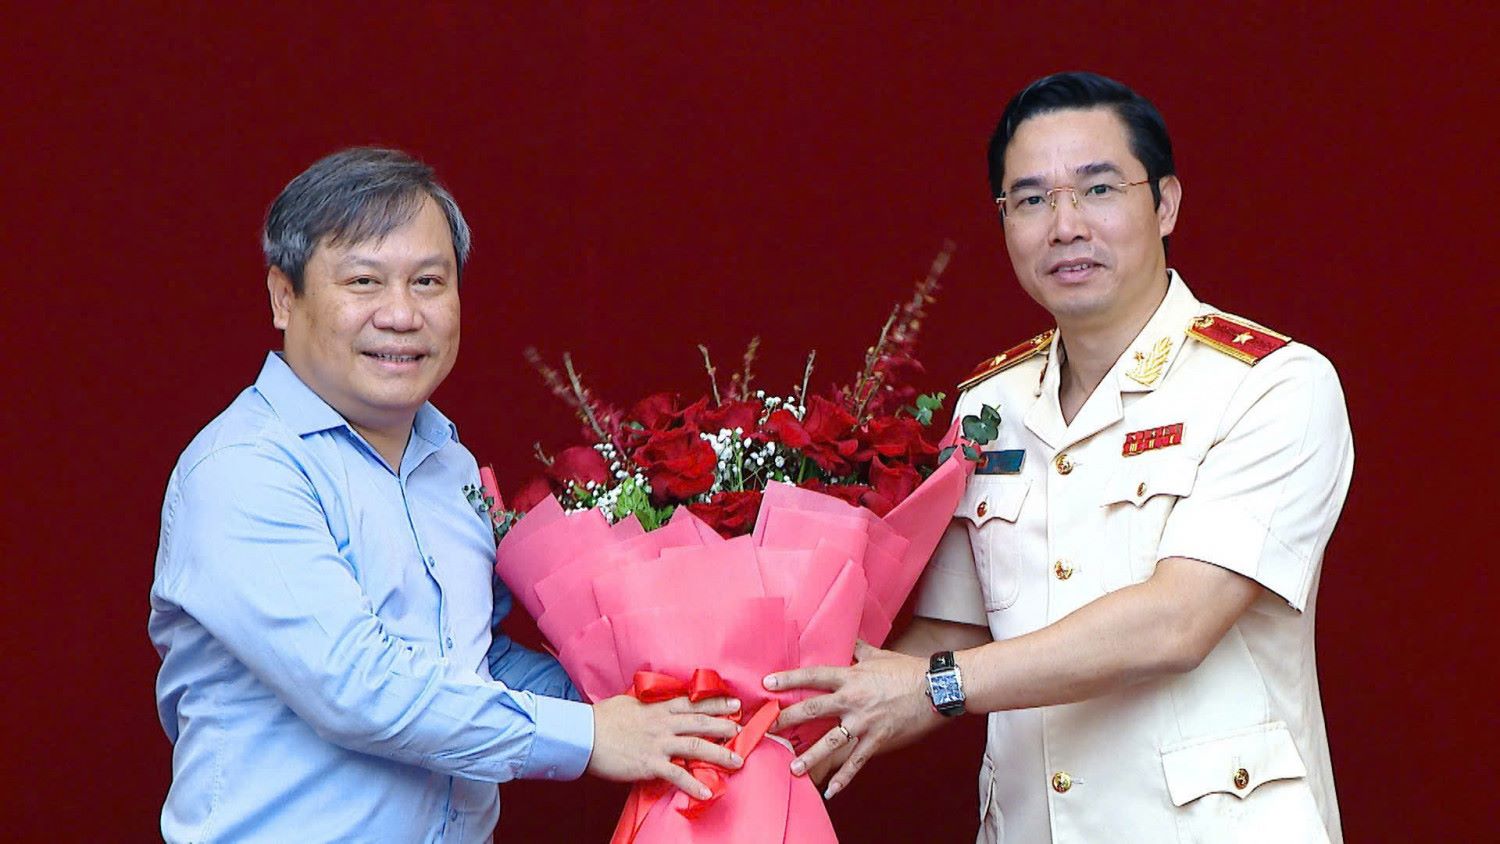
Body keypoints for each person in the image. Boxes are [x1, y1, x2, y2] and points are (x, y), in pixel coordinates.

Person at [765, 72, 1353, 842]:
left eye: (1099, 188)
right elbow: (950, 637)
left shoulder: (1271, 384)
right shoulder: (988, 406)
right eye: (1032, 199)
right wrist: (782, 710)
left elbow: (1177, 621)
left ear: (1166, 203)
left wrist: (936, 688)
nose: (1065, 225)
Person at [149, 147, 743, 843]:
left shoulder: (448, 464)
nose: (401, 315)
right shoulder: (244, 469)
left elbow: (473, 660)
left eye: (428, 281)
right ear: (285, 297)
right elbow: (357, 689)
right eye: (365, 281)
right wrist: (592, 735)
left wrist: (656, 694)